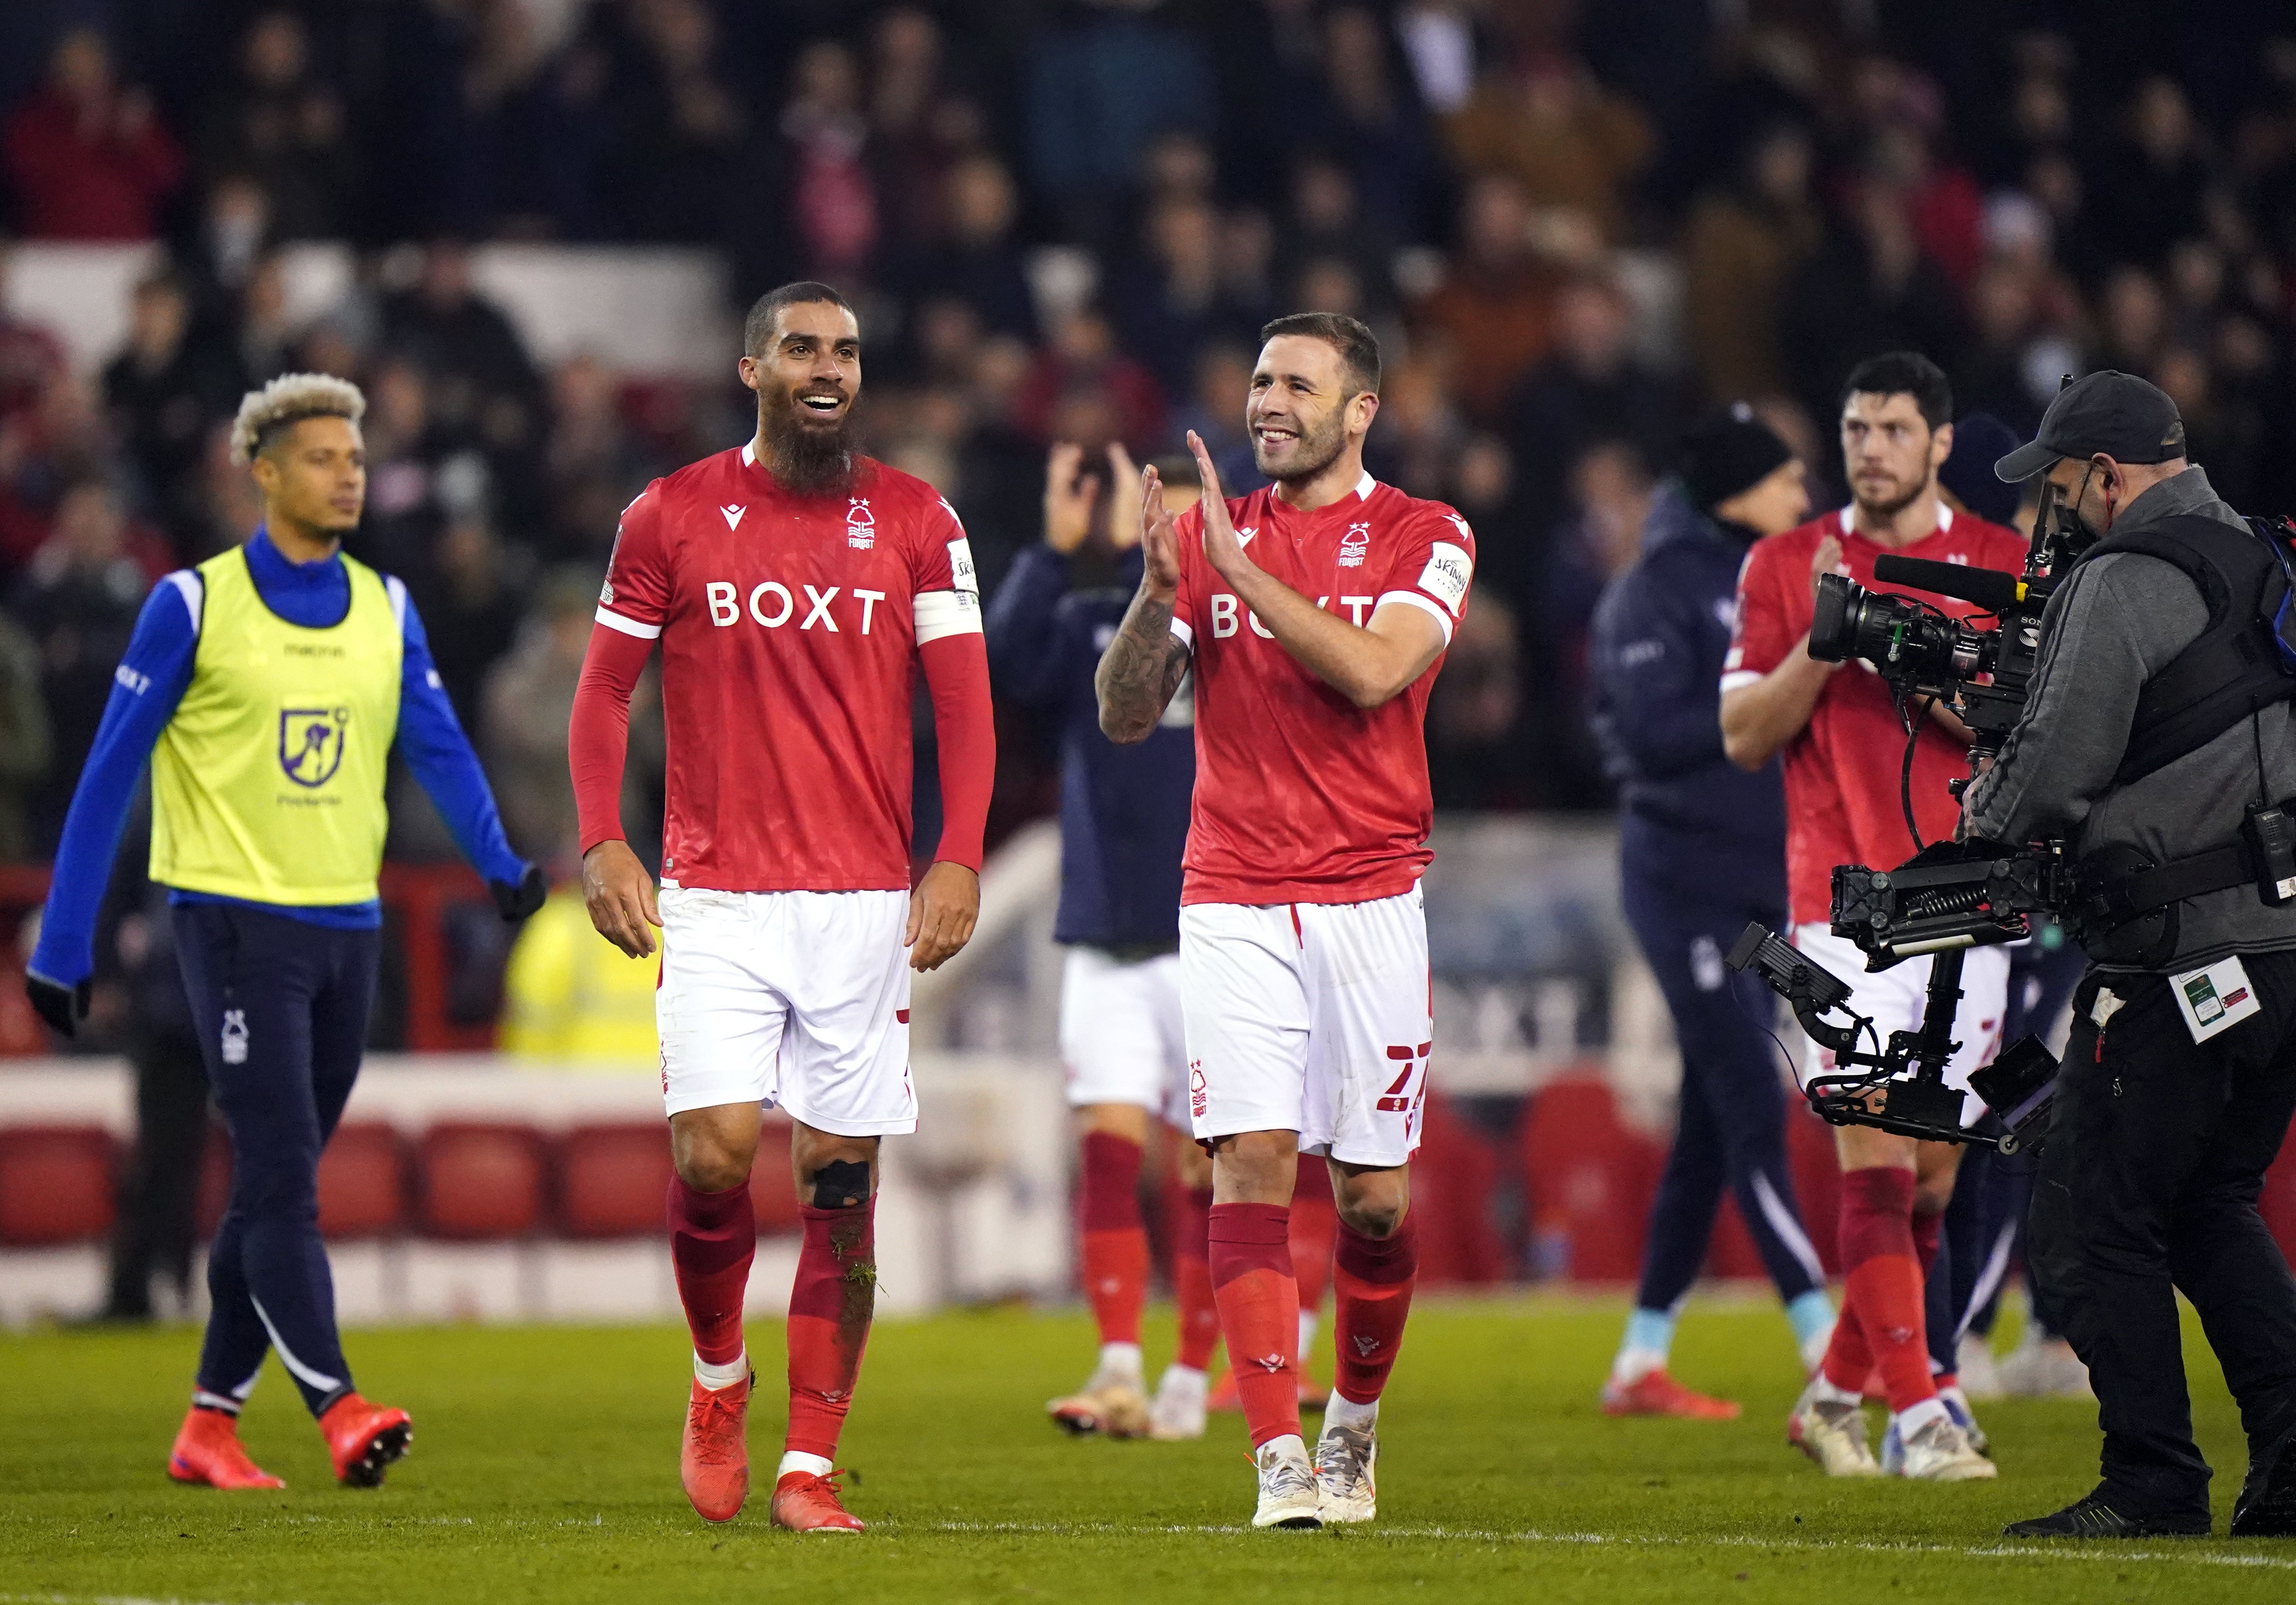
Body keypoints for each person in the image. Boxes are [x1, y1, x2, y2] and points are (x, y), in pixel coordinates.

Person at [24, 373, 541, 1490]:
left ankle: (209, 1425)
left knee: (269, 1190)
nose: (347, 474)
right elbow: (108, 774)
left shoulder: (386, 606)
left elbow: (439, 745)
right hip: (230, 927)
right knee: (281, 1177)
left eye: (355, 458)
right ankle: (338, 1404)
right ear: (261, 472)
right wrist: (62, 943)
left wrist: (498, 862)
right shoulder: (192, 605)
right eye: (321, 458)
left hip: (347, 931)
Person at [567, 282, 996, 1534]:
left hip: (864, 904)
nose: (828, 367)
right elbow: (602, 693)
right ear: (751, 369)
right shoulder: (669, 513)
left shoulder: (920, 519)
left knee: (840, 1185)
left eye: (847, 350)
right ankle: (717, 1380)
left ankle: (809, 1462)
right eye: (802, 348)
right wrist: (602, 838)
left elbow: (963, 708)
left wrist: (957, 853)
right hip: (717, 894)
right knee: (709, 1152)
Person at [1097, 311, 1472, 1529]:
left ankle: (1350, 1426)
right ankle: (1277, 1463)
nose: (1268, 400)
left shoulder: (1428, 532)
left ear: (1360, 408)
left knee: (1370, 1199)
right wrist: (1158, 595)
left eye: (1297, 384)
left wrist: (1244, 575)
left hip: (1371, 896)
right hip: (1233, 892)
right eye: (1258, 379)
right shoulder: (1205, 540)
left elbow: (1375, 672)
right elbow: (1121, 713)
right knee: (1247, 1164)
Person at [1964, 371, 2296, 1538]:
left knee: (2094, 1213)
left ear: (2108, 476)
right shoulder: (2266, 555)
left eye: (2063, 488)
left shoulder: (2120, 580)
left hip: (2178, 950)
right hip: (2283, 945)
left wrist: (1978, 812)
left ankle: (2152, 1482)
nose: (2060, 514)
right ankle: (2291, 1466)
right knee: (2208, 1201)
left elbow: (2052, 765)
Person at [1721, 351, 2026, 1481]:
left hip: (1970, 898)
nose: (1870, 448)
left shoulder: (2002, 566)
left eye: (1894, 429)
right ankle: (1923, 1414)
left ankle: (1834, 1395)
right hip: (1838, 905)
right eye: (1855, 429)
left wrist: (1900, 649)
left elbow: (2020, 733)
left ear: (1941, 442)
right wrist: (1822, 635)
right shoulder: (1782, 564)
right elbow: (1743, 736)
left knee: (1934, 1178)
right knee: (1876, 1162)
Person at [1587, 406, 1835, 1418]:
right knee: (1750, 1098)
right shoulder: (1654, 592)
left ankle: (1639, 1360)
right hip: (1683, 891)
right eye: (1784, 479)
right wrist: (1777, 689)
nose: (1801, 495)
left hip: (1761, 895)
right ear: (1737, 491)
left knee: (1710, 1118)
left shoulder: (1775, 578)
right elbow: (1648, 735)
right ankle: (1827, 1343)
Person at [986, 441, 1219, 1441]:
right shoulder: (1087, 620)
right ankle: (1120, 1363)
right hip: (1103, 938)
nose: (1126, 506)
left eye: (1139, 490)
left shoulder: (1225, 619)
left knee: (1214, 1173)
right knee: (1109, 1155)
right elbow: (994, 667)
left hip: (1215, 934)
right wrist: (1051, 548)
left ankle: (1195, 1377)